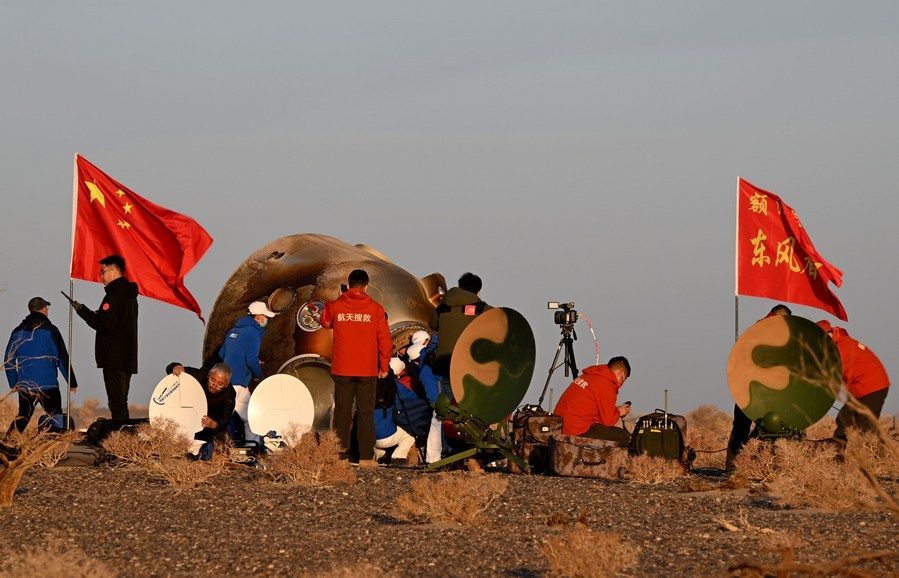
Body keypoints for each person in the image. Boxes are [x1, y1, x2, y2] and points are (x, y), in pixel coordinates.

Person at [320, 269, 392, 467]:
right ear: (366, 286)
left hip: (342, 368)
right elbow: (384, 340)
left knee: (342, 413)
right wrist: (384, 364)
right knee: (365, 413)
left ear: (349, 284)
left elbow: (324, 322)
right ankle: (365, 457)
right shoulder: (376, 309)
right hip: (367, 369)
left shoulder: (335, 306)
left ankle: (340, 457)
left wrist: (336, 300)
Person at [725, 304, 791, 471]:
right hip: (749, 389)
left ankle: (749, 464)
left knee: (765, 429)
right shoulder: (759, 331)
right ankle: (734, 467)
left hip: (767, 390)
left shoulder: (786, 334)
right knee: (742, 427)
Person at [73, 255, 138, 419]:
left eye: (102, 272)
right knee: (121, 401)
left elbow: (104, 324)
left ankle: (120, 436)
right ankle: (123, 435)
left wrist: (83, 311)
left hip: (114, 357)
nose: (100, 276)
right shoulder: (129, 295)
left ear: (114, 270)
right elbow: (115, 321)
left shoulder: (114, 295)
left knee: (116, 403)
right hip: (126, 357)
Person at [5, 297, 78, 433]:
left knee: (23, 416)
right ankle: (53, 447)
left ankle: (8, 443)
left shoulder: (17, 332)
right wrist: (71, 381)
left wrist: (13, 382)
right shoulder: (51, 330)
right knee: (54, 416)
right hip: (48, 384)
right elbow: (62, 358)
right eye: (47, 308)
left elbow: (8, 360)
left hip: (26, 384)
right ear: (43, 309)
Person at [817, 320, 890, 444]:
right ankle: (837, 452)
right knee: (844, 419)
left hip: (872, 388)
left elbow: (834, 372)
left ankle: (877, 458)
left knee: (865, 427)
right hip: (863, 388)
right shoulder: (838, 343)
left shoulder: (842, 346)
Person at [218, 301, 276, 443]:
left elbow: (222, 353)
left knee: (246, 416)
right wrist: (258, 375)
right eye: (265, 316)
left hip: (227, 380)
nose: (266, 319)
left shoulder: (234, 330)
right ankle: (251, 445)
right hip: (238, 381)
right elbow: (251, 359)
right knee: (244, 418)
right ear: (258, 317)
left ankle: (250, 445)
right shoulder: (253, 332)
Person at [553, 356, 632, 446]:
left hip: (560, 425)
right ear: (620, 373)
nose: (622, 383)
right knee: (623, 436)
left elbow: (593, 407)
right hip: (575, 430)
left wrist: (615, 410)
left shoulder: (590, 375)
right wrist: (619, 412)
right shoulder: (606, 384)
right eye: (623, 379)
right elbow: (609, 421)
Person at [167, 362, 236, 461]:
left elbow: (226, 418)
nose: (214, 385)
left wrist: (215, 424)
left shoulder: (229, 394)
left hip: (210, 429)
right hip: (190, 422)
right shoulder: (200, 375)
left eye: (220, 384)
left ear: (227, 384)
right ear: (209, 375)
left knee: (205, 459)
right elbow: (171, 369)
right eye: (212, 380)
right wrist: (175, 367)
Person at [429, 272, 491, 381]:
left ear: (460, 287)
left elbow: (433, 325)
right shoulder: (483, 310)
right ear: (478, 291)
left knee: (447, 396)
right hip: (469, 364)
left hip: (443, 364)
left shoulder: (441, 309)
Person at [373, 358, 417, 466]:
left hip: (367, 437)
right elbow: (413, 396)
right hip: (384, 437)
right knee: (409, 435)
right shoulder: (395, 386)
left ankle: (380, 455)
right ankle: (398, 458)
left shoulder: (371, 383)